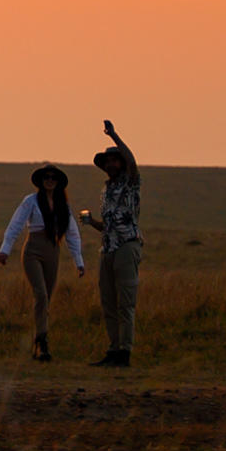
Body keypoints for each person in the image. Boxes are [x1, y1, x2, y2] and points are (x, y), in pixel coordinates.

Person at [0, 164, 86, 362]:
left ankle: (40, 340)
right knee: (41, 294)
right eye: (46, 177)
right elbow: (16, 224)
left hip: (53, 251)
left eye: (53, 178)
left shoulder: (64, 206)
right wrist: (5, 249)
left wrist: (78, 261)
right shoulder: (31, 201)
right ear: (41, 181)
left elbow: (72, 234)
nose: (50, 180)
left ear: (58, 182)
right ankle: (42, 341)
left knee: (46, 300)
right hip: (33, 250)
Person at [80, 118, 144, 366]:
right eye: (108, 162)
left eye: (115, 160)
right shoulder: (106, 190)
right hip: (108, 248)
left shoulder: (131, 182)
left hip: (127, 245)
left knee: (125, 302)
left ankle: (124, 353)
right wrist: (92, 223)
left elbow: (132, 161)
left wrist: (114, 137)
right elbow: (108, 226)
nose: (112, 164)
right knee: (108, 302)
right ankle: (114, 350)